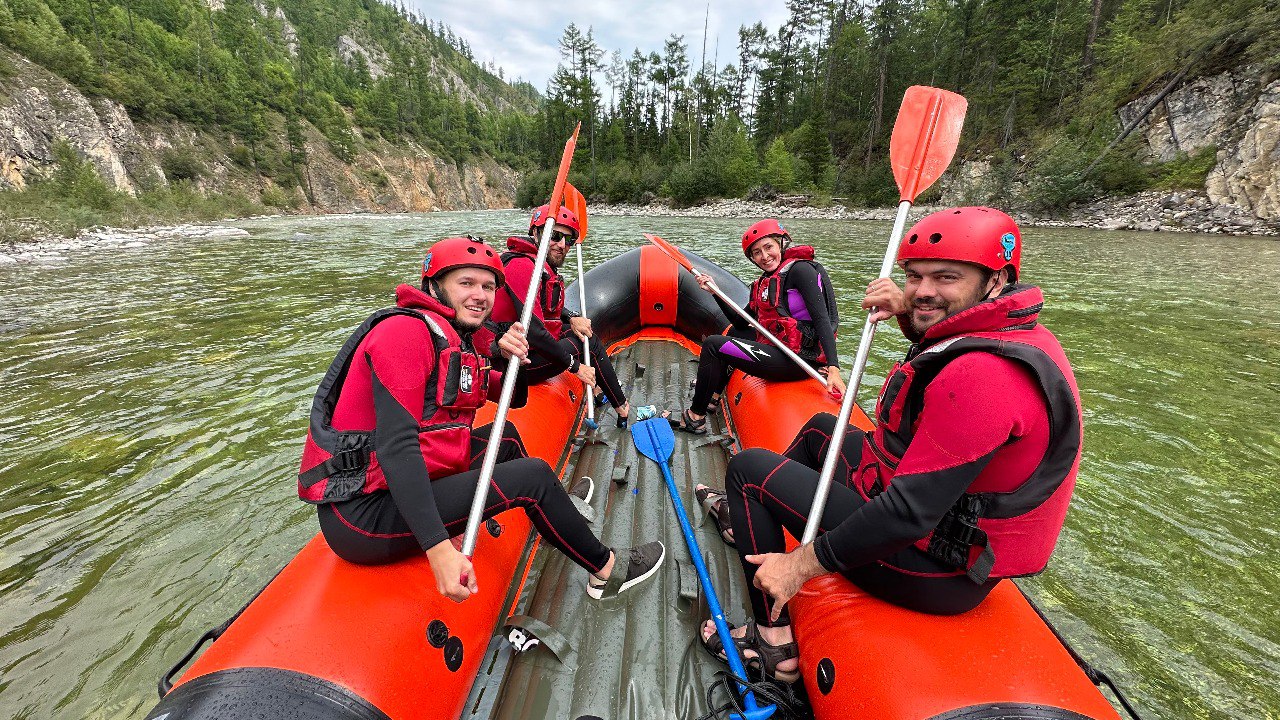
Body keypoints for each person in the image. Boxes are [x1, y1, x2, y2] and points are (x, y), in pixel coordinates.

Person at [696, 207, 1083, 684]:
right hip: (937, 530)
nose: (923, 291)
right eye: (914, 276)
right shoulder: (1006, 332)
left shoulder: (985, 377)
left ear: (996, 280)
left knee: (749, 471)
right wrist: (908, 312)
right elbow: (941, 347)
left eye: (945, 277)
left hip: (934, 570)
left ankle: (771, 640)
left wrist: (800, 564)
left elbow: (906, 514)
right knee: (821, 426)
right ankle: (753, 521)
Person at [297, 235, 664, 602]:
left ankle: (558, 515)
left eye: (488, 286)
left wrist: (510, 357)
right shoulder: (404, 333)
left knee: (503, 437)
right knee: (532, 476)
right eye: (466, 283)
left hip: (397, 484)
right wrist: (438, 548)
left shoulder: (456, 340)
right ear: (435, 286)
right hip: (363, 513)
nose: (480, 295)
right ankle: (606, 572)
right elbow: (397, 447)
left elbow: (513, 397)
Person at [673, 219, 844, 545]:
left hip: (801, 361)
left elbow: (822, 318)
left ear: (782, 242)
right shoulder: (764, 283)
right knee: (732, 334)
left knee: (712, 345)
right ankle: (712, 396)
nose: (764, 256)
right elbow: (742, 320)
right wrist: (715, 293)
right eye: (756, 253)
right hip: (781, 352)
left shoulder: (801, 271)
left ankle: (695, 416)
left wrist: (833, 367)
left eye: (768, 247)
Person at [492, 205, 632, 427]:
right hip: (511, 362)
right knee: (587, 342)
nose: (562, 245)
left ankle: (599, 393)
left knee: (583, 332)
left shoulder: (539, 265)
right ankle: (621, 406)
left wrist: (571, 317)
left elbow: (548, 310)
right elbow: (535, 333)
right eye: (554, 236)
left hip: (525, 348)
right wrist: (575, 367)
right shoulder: (522, 266)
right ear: (536, 233)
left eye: (568, 240)